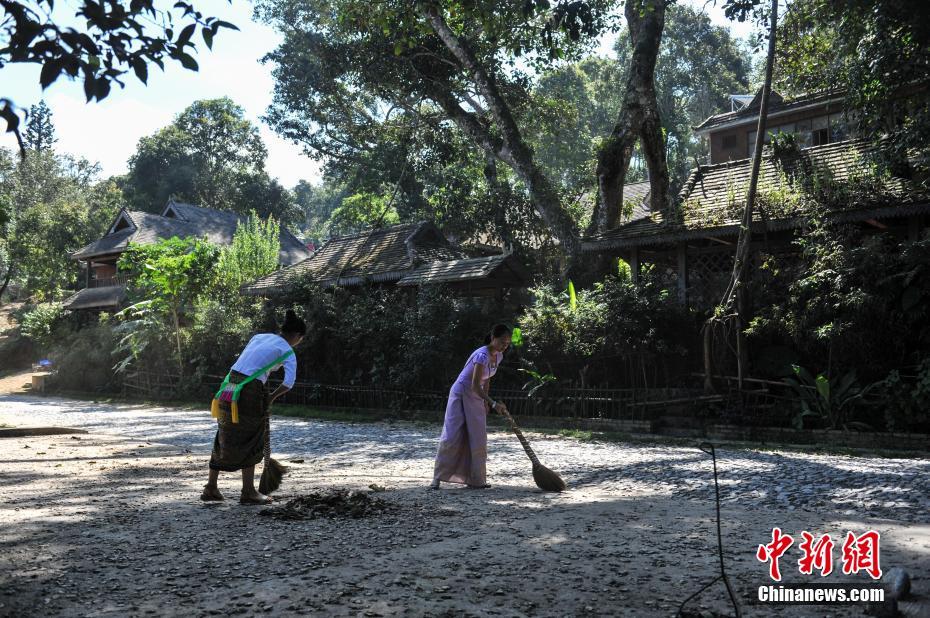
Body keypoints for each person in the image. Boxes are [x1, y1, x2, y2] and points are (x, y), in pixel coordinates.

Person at [202, 310, 306, 505]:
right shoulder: (288, 351)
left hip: (230, 384)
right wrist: (272, 397)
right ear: (297, 336)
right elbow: (289, 382)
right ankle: (248, 492)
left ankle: (211, 487)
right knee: (252, 435)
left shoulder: (259, 337)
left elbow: (251, 362)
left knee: (225, 432)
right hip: (249, 390)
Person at [431, 324, 511, 490]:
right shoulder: (481, 355)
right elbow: (475, 385)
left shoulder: (499, 356)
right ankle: (437, 477)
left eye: (508, 343)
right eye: (502, 341)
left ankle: (476, 479)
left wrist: (485, 402)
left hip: (476, 397)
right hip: (461, 393)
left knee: (478, 436)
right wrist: (493, 403)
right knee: (452, 434)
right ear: (493, 337)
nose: (504, 345)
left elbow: (487, 378)